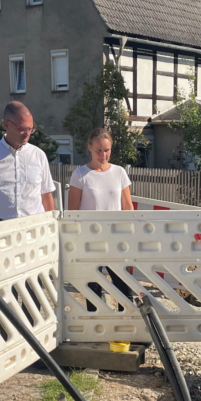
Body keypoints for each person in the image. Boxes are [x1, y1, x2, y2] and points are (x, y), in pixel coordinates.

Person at [68, 128, 135, 311]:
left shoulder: (119, 172)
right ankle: (97, 327)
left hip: (116, 239)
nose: (103, 155)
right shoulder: (80, 175)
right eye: (98, 150)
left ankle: (127, 326)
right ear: (89, 148)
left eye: (107, 150)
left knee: (123, 285)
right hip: (90, 241)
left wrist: (129, 235)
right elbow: (72, 212)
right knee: (93, 288)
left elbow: (128, 206)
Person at [0, 101, 56, 225]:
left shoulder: (39, 155)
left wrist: (51, 226)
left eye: (30, 129)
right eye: (22, 129)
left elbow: (46, 195)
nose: (27, 134)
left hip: (34, 228)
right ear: (6, 124)